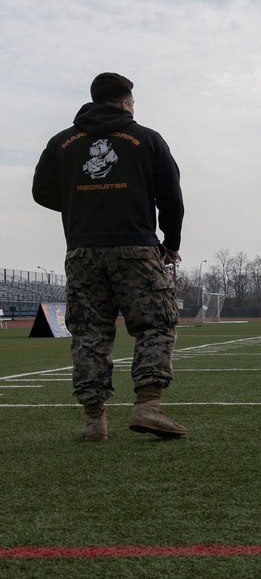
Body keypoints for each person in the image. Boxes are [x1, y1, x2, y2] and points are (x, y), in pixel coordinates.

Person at [31, 72, 187, 442]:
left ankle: (93, 421)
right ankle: (148, 406)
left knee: (89, 333)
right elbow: (171, 197)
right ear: (125, 101)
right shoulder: (147, 138)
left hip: (82, 249)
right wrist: (172, 243)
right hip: (136, 246)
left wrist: (81, 201)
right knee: (154, 325)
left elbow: (41, 192)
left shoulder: (61, 142)